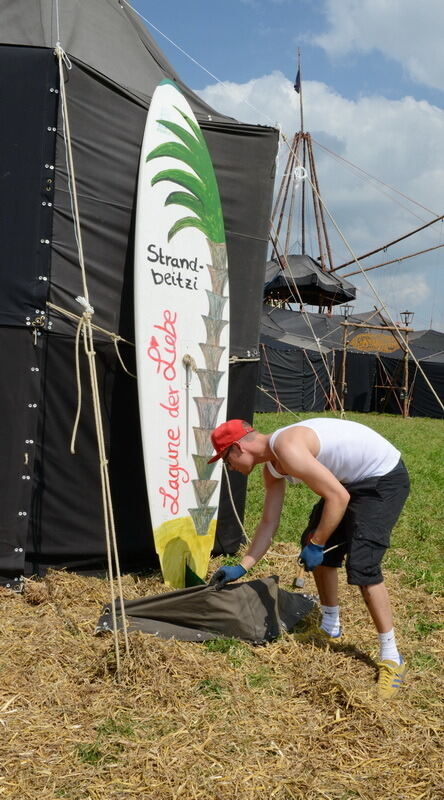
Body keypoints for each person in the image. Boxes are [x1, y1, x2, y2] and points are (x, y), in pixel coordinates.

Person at [208, 417, 410, 699]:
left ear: (238, 447)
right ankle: (330, 627)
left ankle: (391, 657)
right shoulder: (273, 468)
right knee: (316, 544)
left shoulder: (287, 447)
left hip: (382, 479)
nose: (228, 467)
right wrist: (242, 567)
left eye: (225, 459)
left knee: (363, 565)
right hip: (348, 483)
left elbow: (337, 497)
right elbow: (269, 523)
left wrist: (318, 543)